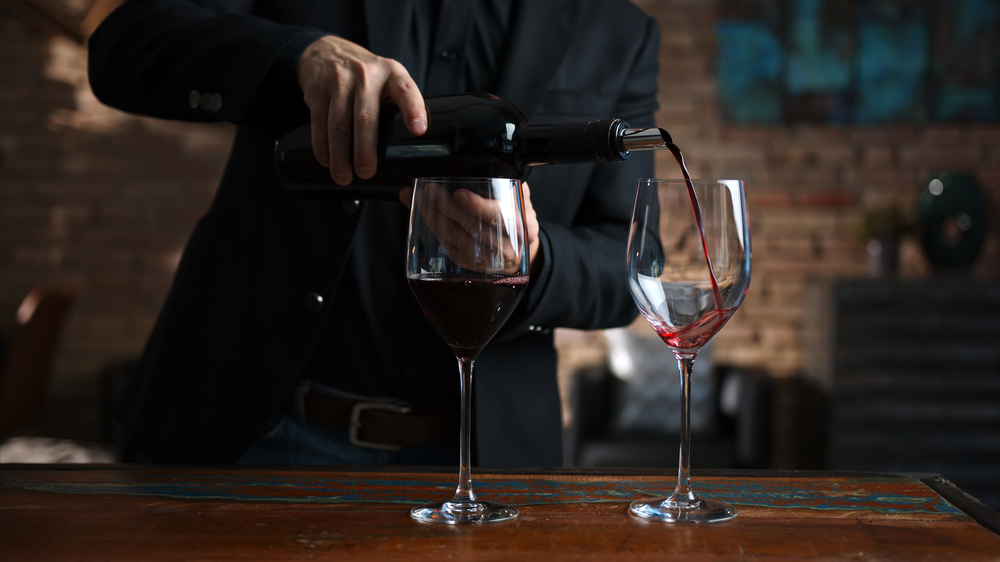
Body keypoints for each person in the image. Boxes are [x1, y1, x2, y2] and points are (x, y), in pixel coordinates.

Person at [87, 0, 661, 466]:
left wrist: (537, 260)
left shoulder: (621, 30)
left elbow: (630, 260)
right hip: (253, 430)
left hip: (480, 461)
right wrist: (294, 55)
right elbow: (120, 42)